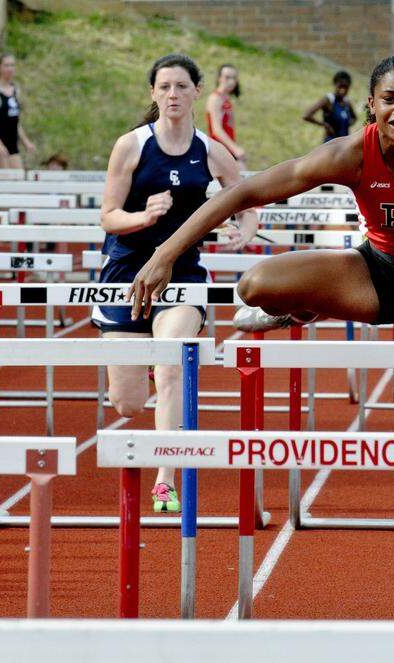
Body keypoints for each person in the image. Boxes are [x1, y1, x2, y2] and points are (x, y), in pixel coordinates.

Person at [125, 52, 394, 620]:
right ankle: (300, 309)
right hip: (377, 274)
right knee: (254, 285)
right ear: (371, 106)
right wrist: (165, 254)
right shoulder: (349, 153)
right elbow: (243, 193)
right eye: (389, 99)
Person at [97, 54, 256, 513]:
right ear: (153, 92)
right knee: (127, 404)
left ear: (195, 92)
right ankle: (146, 368)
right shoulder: (130, 146)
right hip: (126, 274)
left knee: (171, 365)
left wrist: (244, 230)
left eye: (181, 86)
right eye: (164, 86)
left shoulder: (210, 151)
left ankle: (165, 478)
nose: (173, 94)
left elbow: (247, 199)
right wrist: (143, 217)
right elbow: (108, 216)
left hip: (182, 275)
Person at [0, 54, 36, 169]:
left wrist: (26, 142)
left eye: (12, 65)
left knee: (18, 177)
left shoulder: (16, 90)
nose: (10, 68)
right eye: (6, 65)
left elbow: (15, 121)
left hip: (12, 144)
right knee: (5, 176)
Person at [205, 64, 245, 166]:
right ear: (219, 78)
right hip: (218, 153)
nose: (231, 81)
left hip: (227, 152)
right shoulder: (215, 99)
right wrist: (235, 148)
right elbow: (216, 130)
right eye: (227, 77)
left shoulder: (225, 99)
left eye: (234, 78)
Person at [303, 70, 356, 144]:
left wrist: (345, 125)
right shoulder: (329, 100)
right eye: (340, 87)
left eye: (345, 87)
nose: (342, 90)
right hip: (330, 143)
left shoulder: (347, 102)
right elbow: (307, 115)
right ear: (335, 84)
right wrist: (325, 125)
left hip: (344, 144)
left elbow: (354, 118)